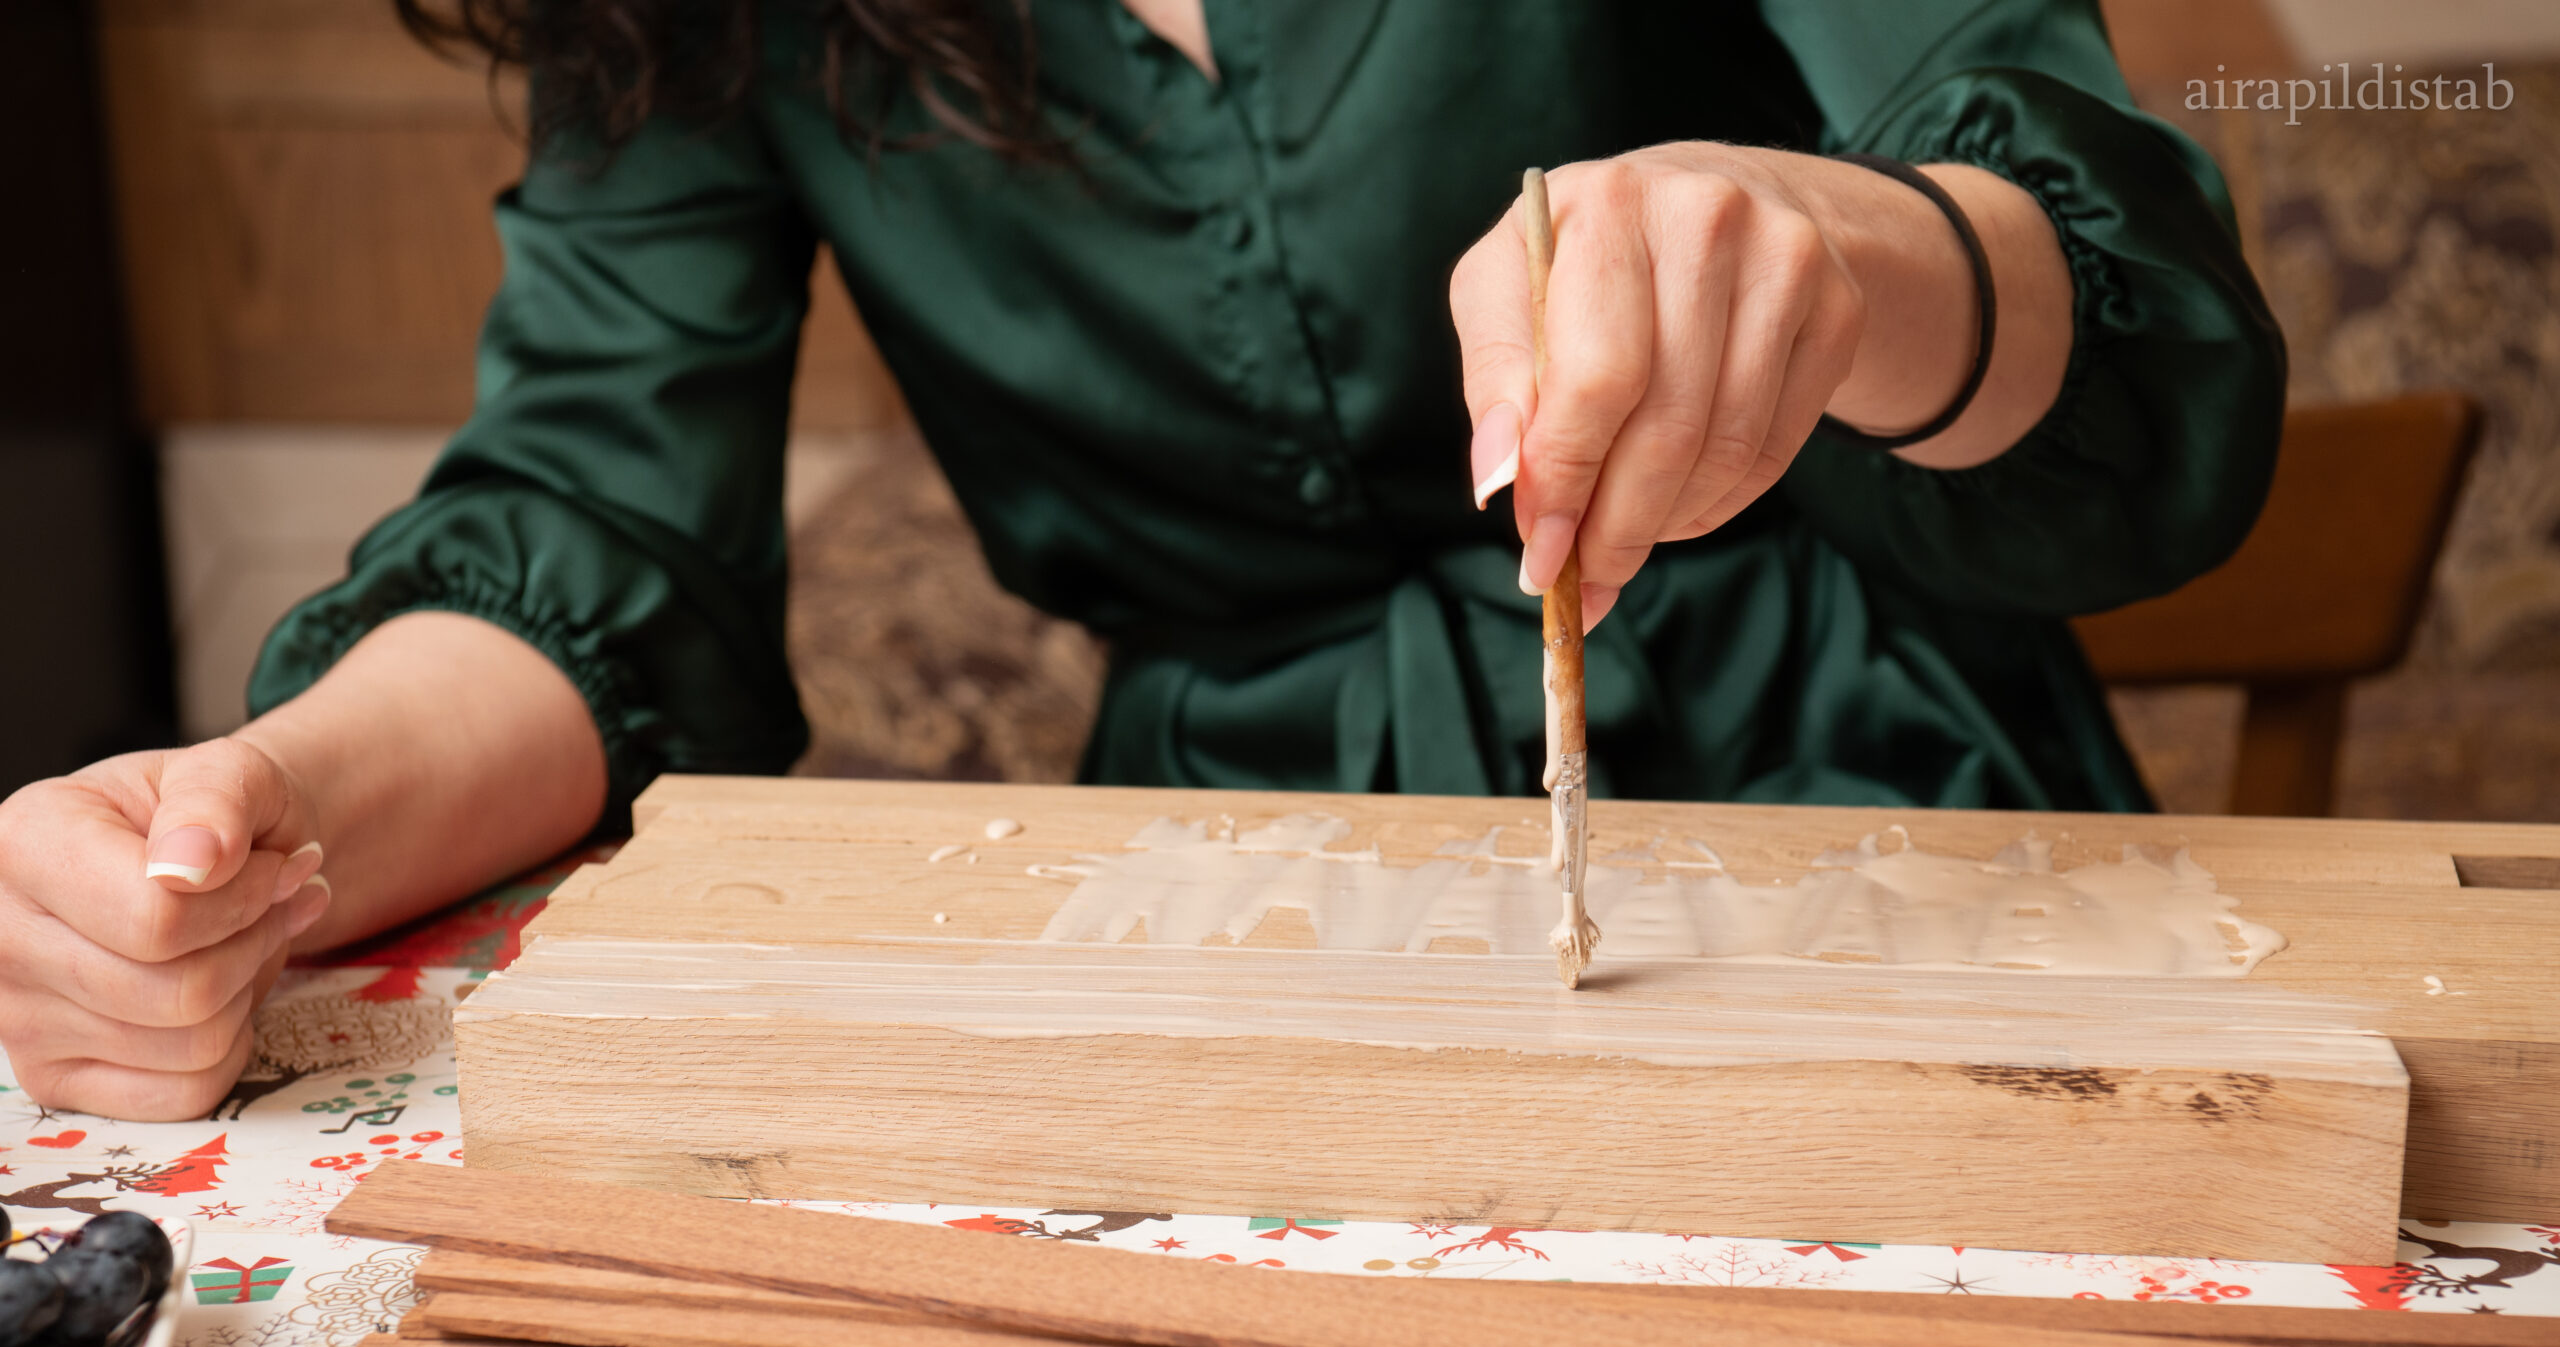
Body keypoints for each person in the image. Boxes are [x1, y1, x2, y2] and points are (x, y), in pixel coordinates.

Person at [0, 0, 2284, 1118]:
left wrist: (1860, 256)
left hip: (1877, 830)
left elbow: (2127, 321)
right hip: (1220, 937)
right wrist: (263, 824)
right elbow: (595, 529)